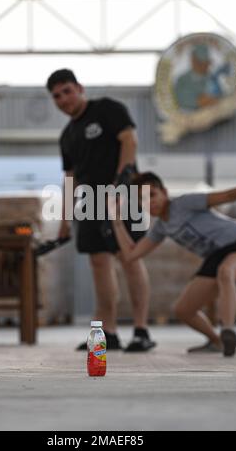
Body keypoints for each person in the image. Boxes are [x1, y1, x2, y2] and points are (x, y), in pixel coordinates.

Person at [46, 69, 156, 352]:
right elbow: (70, 177)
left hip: (123, 193)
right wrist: (65, 219)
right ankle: (109, 332)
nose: (63, 99)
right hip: (90, 200)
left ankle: (142, 330)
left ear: (79, 88)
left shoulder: (107, 109)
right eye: (56, 96)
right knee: (99, 263)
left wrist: (121, 185)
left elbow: (129, 141)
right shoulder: (67, 135)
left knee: (130, 258)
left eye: (67, 91)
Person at [109, 172, 236, 357]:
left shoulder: (184, 203)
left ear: (164, 192)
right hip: (216, 256)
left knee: (226, 271)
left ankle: (228, 330)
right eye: (142, 200)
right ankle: (217, 341)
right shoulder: (161, 227)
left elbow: (228, 195)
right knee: (183, 310)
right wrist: (116, 219)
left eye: (152, 195)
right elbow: (131, 254)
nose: (150, 202)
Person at [174, 44, 228, 111]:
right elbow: (180, 99)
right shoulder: (182, 80)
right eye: (201, 63)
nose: (204, 66)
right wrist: (198, 101)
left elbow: (221, 97)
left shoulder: (212, 78)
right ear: (193, 61)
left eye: (205, 63)